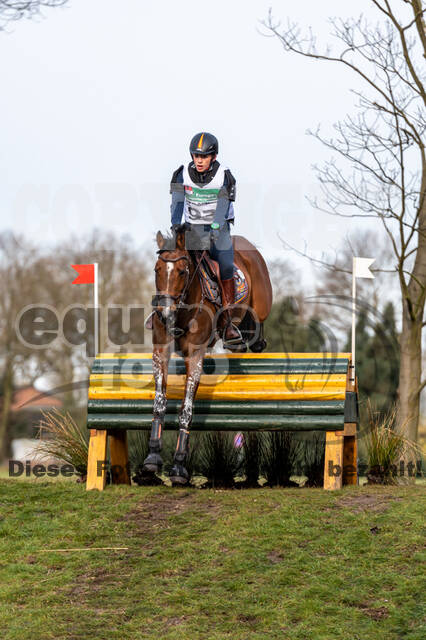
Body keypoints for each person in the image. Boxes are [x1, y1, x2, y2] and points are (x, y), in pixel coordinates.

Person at [169, 131, 243, 347]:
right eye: (196, 156)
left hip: (218, 230)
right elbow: (177, 202)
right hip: (192, 229)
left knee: (226, 265)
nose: (199, 161)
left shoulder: (224, 176)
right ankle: (166, 312)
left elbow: (222, 206)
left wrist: (216, 227)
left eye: (204, 157)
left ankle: (228, 322)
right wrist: (175, 225)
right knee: (172, 263)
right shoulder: (181, 174)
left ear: (214, 157)